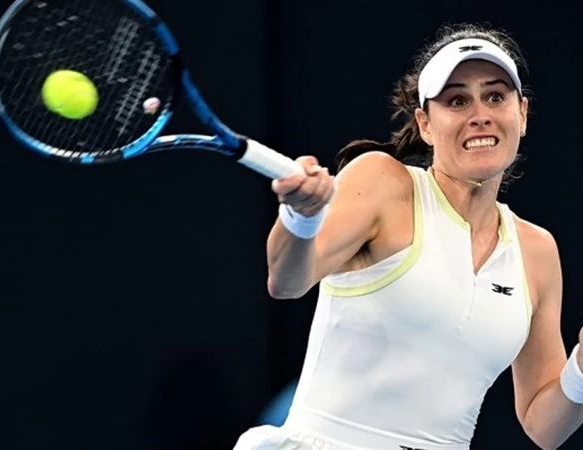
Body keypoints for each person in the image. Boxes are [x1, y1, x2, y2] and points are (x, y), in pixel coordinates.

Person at [234, 22, 583, 450]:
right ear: (425, 124)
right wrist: (301, 219)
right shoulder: (382, 181)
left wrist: (581, 370)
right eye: (457, 100)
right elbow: (286, 282)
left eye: (496, 97)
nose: (480, 114)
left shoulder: (537, 251)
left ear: (522, 114)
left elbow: (545, 428)